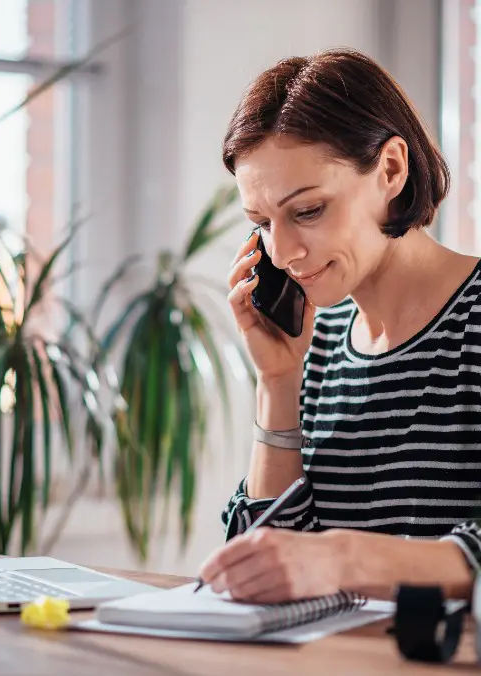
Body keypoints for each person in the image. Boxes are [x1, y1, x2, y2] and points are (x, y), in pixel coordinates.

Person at [198, 48, 481, 603]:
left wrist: (343, 556)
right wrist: (278, 384)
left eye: (307, 211)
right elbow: (266, 567)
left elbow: (321, 563)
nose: (280, 252)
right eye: (261, 223)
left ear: (391, 170)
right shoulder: (318, 344)